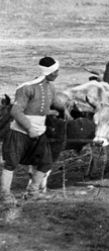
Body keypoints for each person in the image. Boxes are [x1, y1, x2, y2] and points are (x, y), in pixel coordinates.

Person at [1, 57, 60, 204]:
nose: (58, 73)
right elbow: (15, 111)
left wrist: (61, 109)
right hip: (20, 132)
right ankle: (5, 195)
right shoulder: (27, 88)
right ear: (49, 72)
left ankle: (32, 192)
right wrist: (29, 128)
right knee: (11, 164)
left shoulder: (50, 87)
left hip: (39, 131)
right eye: (56, 71)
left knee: (46, 162)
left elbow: (49, 104)